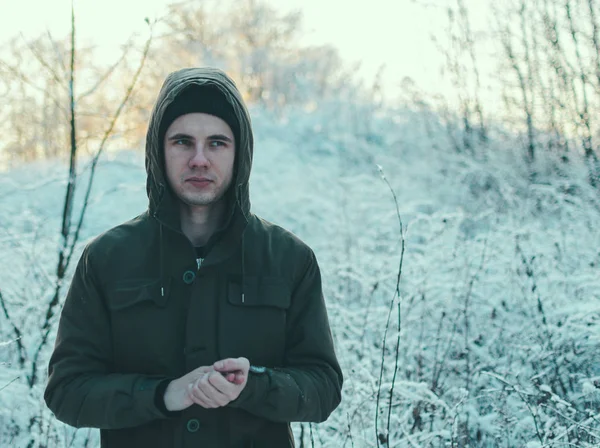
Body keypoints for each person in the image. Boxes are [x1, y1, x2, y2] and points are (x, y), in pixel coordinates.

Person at [44, 67, 343, 447]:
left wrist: (253, 386)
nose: (199, 159)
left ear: (240, 154)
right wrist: (165, 395)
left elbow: (323, 389)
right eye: (183, 141)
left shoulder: (289, 259)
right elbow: (68, 391)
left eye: (217, 143)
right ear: (158, 150)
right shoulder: (106, 259)